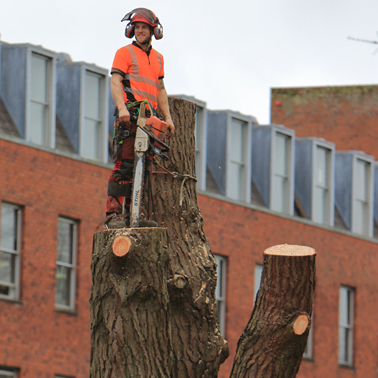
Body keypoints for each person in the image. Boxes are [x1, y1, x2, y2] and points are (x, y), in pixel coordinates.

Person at [105, 8, 175, 224]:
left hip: (149, 118)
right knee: (125, 163)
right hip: (130, 114)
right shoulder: (124, 52)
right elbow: (115, 82)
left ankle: (135, 213)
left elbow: (160, 90)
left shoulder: (159, 59)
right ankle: (113, 214)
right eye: (137, 27)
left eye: (144, 27)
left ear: (153, 30)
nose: (140, 31)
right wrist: (123, 108)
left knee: (144, 167)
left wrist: (168, 118)